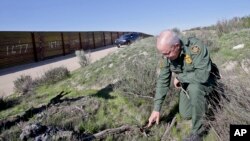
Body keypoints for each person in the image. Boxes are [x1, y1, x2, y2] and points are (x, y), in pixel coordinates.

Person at [147, 30, 220, 141]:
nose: (165, 57)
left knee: (195, 88)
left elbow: (202, 76)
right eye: (163, 54)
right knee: (186, 114)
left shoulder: (194, 47)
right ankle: (203, 100)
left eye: (167, 53)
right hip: (189, 83)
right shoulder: (167, 56)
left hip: (207, 80)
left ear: (176, 46)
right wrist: (156, 109)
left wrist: (180, 78)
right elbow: (163, 81)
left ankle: (197, 134)